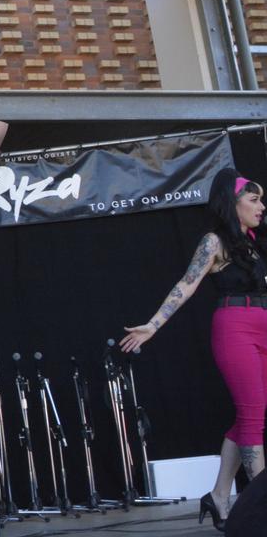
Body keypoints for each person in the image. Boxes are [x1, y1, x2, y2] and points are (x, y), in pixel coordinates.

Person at [122, 168, 266, 530]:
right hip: (236, 328)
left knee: (252, 413)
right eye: (254, 199)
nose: (261, 206)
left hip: (263, 326)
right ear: (233, 203)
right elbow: (186, 285)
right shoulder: (214, 242)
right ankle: (260, 509)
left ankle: (219, 496)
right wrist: (152, 325)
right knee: (253, 418)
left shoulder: (252, 243)